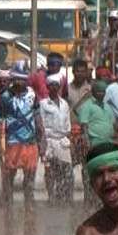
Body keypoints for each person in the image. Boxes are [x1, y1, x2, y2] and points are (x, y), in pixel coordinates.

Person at [0, 62, 44, 206]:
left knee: (29, 179)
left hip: (30, 143)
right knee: (9, 177)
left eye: (22, 79)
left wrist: (41, 139)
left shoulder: (32, 94)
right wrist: (0, 143)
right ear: (12, 79)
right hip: (12, 143)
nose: (19, 82)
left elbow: (37, 117)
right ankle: (8, 206)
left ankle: (29, 206)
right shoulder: (5, 97)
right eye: (16, 79)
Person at [40, 76, 73, 204]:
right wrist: (42, 143)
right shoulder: (43, 104)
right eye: (51, 85)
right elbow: (40, 123)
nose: (54, 87)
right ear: (47, 87)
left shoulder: (65, 104)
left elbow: (67, 123)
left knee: (66, 170)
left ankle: (63, 195)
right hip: (49, 140)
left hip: (62, 140)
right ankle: (51, 196)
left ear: (59, 87)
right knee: (50, 171)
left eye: (56, 85)